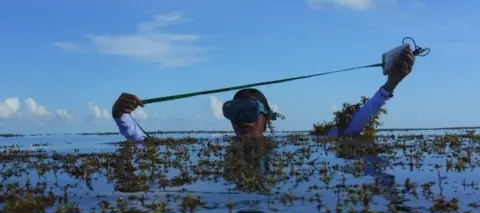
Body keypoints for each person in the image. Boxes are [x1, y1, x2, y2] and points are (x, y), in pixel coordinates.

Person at [111, 46, 415, 141]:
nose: (242, 119)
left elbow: (349, 131)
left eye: (250, 111)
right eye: (235, 111)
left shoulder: (293, 146)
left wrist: (390, 85)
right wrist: (121, 116)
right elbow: (145, 144)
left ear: (266, 119)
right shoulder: (217, 151)